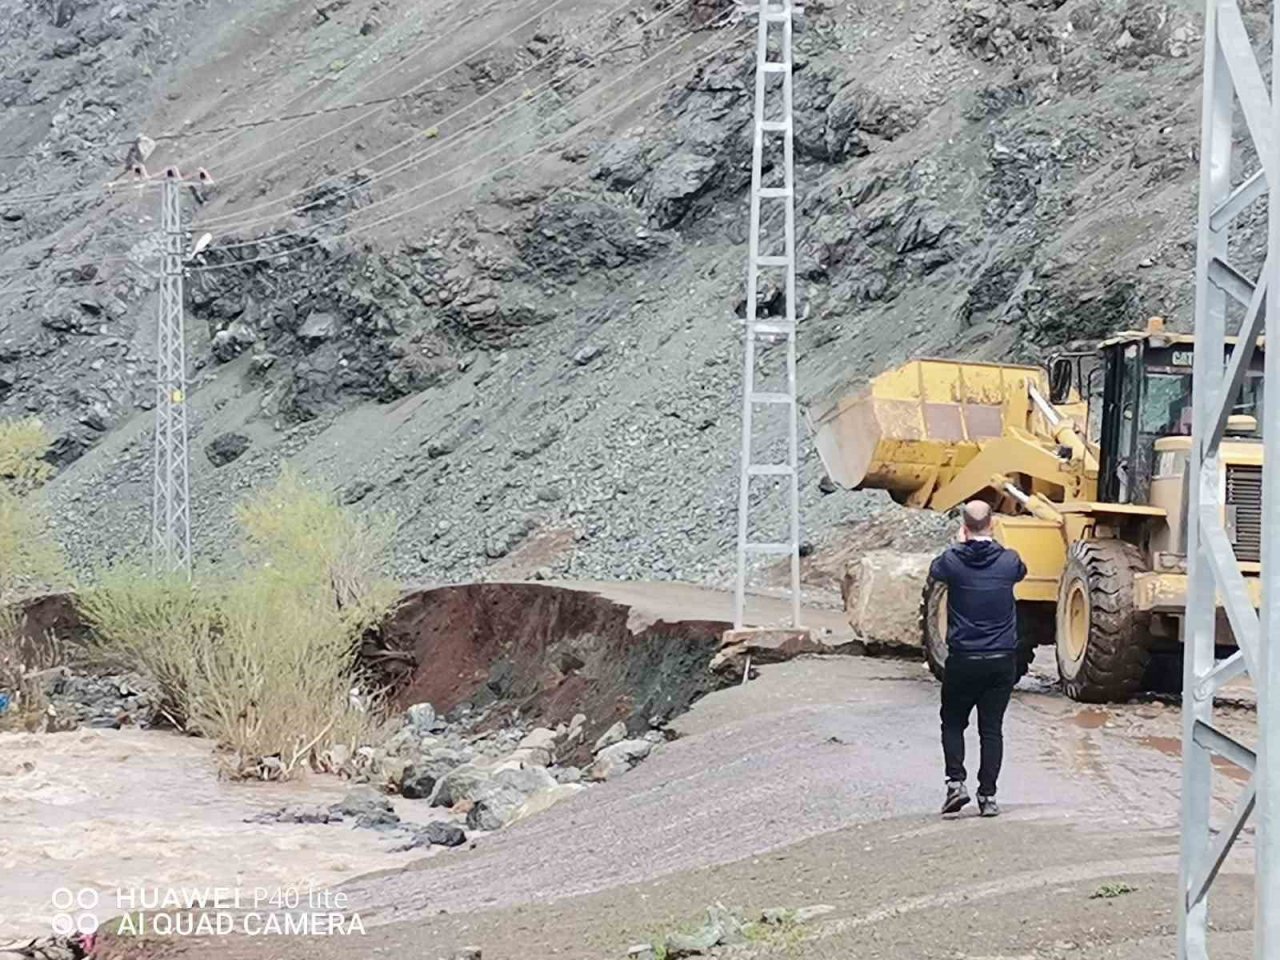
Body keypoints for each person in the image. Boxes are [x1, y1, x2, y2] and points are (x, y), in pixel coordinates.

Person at [928, 500, 1027, 818]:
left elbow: (935, 571)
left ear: (964, 527)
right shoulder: (1009, 561)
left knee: (953, 722)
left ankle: (956, 784)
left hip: (964, 658)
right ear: (993, 525)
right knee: (991, 729)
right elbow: (1020, 572)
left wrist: (960, 545)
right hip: (1001, 659)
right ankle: (988, 797)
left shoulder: (952, 561)